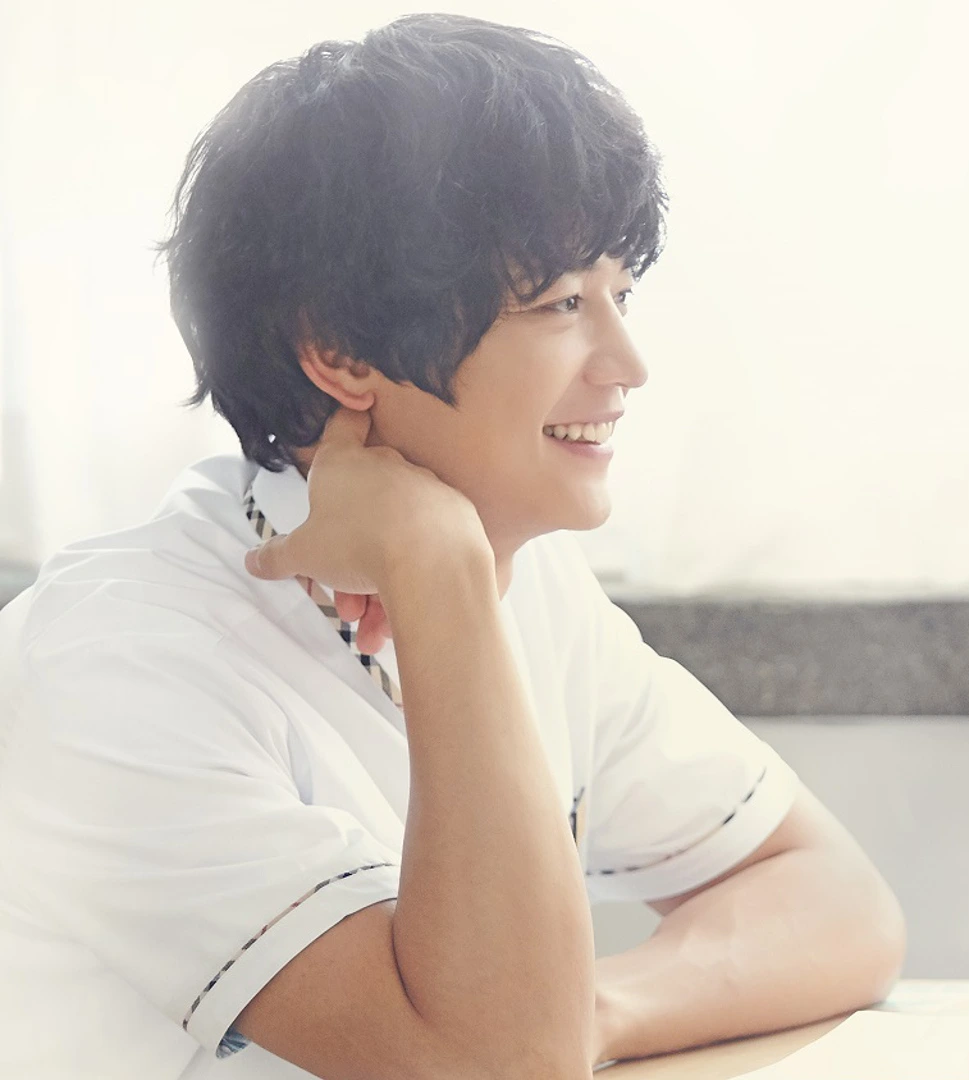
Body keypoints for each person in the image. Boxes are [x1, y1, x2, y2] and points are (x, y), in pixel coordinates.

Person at [0, 15, 904, 1078]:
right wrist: (437, 575)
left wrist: (592, 1012)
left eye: (620, 295)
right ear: (341, 351)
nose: (627, 364)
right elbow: (500, 1068)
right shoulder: (114, 663)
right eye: (562, 303)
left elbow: (838, 904)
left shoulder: (531, 584)